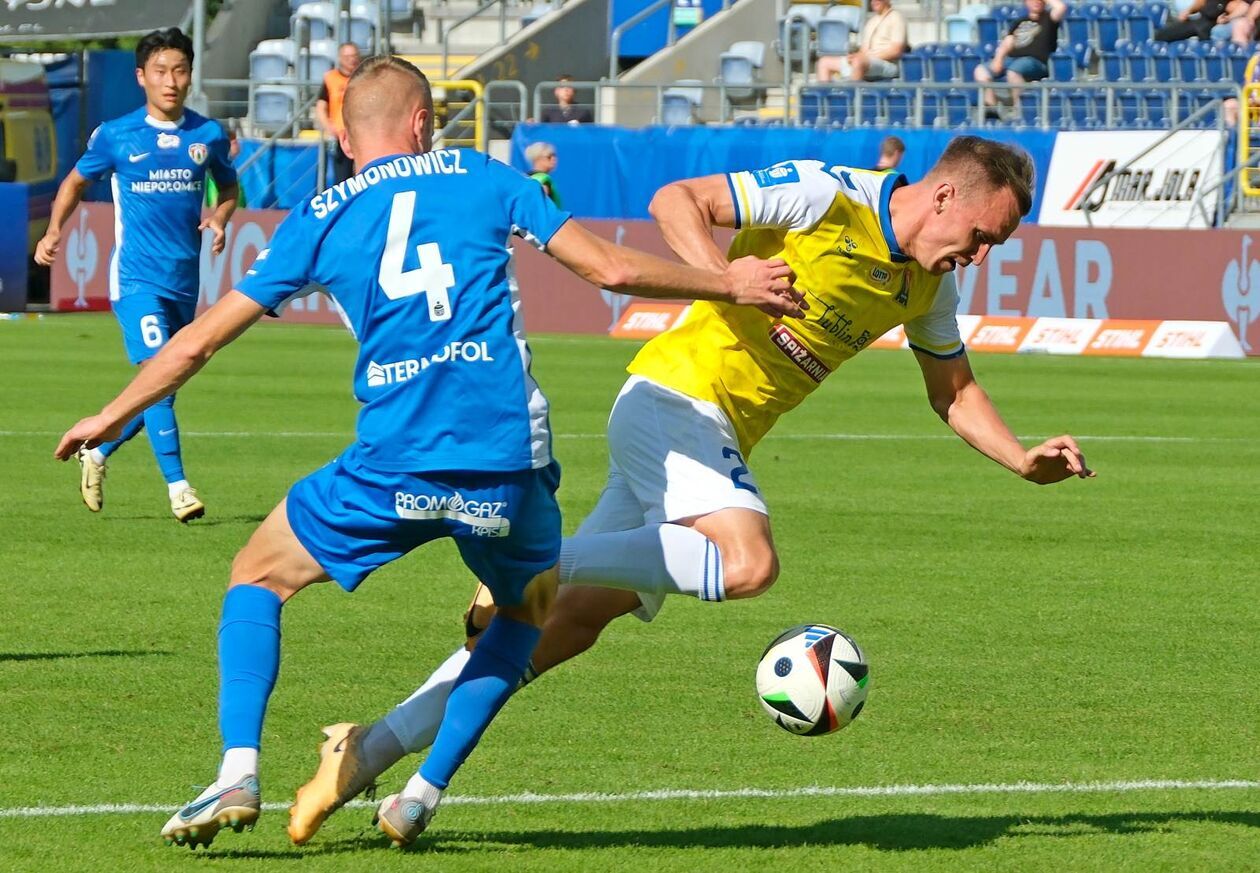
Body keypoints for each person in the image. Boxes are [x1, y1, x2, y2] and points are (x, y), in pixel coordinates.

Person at [53, 55, 802, 851]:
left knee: (258, 573)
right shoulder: (484, 175)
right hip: (505, 468)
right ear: (420, 125)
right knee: (523, 612)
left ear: (348, 136)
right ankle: (421, 793)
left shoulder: (320, 215)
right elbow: (611, 268)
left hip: (393, 464)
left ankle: (239, 768)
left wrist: (112, 411)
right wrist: (732, 284)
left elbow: (198, 342)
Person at [285, 135, 1096, 845]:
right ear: (948, 195)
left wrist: (1023, 459)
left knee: (559, 631)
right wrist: (724, 277)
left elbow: (951, 388)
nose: (980, 257)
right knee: (746, 563)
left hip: (709, 437)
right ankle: (537, 560)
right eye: (984, 237)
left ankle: (376, 759)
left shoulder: (926, 284)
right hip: (676, 398)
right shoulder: (828, 196)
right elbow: (678, 198)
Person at [35, 27, 238, 523]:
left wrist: (219, 218)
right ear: (142, 77)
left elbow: (229, 187)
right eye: (162, 72)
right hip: (135, 280)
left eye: (181, 71)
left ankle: (98, 452)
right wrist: (53, 230)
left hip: (184, 281)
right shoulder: (117, 135)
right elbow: (74, 182)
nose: (172, 81)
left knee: (160, 384)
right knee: (158, 380)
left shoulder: (207, 135)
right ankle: (179, 489)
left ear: (190, 76)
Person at [974, 0, 1067, 116]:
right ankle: (992, 110)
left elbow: (1061, 7)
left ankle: (1019, 110)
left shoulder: (1049, 18)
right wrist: (998, 59)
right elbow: (1008, 41)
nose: (1036, 2)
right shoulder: (1020, 21)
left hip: (1036, 62)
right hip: (1013, 59)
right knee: (981, 71)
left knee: (1014, 71)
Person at [816, 0, 907, 83]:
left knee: (858, 61)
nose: (874, 2)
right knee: (824, 62)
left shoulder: (896, 17)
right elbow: (863, 50)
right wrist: (854, 56)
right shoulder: (871, 21)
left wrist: (867, 57)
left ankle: (852, 96)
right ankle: (825, 98)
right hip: (867, 61)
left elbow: (896, 51)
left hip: (887, 63)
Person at [315, 42, 361, 184]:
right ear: (340, 58)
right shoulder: (330, 78)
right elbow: (321, 106)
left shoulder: (364, 78)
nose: (351, 60)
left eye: (354, 56)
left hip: (361, 134)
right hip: (340, 135)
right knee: (342, 178)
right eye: (347, 57)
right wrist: (329, 126)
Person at [1156, 0, 1256, 44]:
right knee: (1162, 35)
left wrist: (1228, 17)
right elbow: (1201, 2)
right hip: (1202, 19)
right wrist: (1189, 11)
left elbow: (1243, 5)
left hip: (1217, 23)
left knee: (1209, 34)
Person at [205, 124, 247, 208]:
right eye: (233, 141)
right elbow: (214, 203)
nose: (237, 143)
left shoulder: (232, 165)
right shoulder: (217, 169)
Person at [525, 141, 562, 207]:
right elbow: (540, 206)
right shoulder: (542, 179)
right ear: (537, 158)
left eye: (554, 156)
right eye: (549, 156)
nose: (554, 159)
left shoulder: (527, 177)